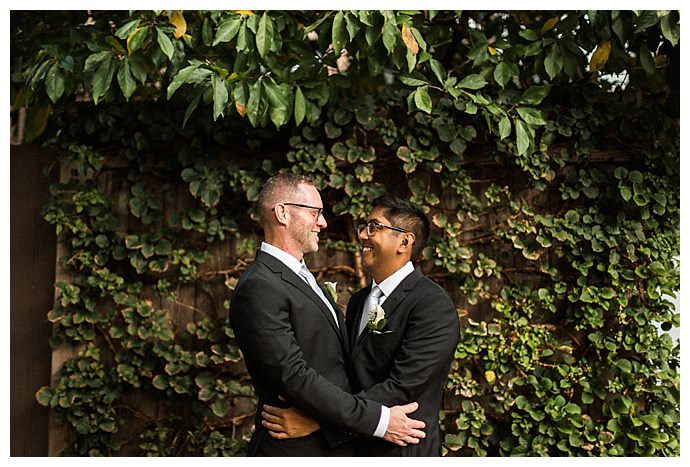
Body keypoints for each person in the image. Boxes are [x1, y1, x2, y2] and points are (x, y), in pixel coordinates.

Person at [229, 175, 426, 456]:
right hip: (292, 449)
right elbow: (293, 376)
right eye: (315, 213)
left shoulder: (302, 278)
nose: (322, 222)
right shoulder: (260, 286)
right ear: (283, 213)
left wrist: (326, 424)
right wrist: (378, 420)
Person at [262, 194, 460, 456]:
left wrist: (319, 422)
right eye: (364, 227)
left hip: (400, 450)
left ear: (404, 241)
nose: (364, 236)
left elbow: (401, 388)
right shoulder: (358, 302)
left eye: (374, 228)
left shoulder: (432, 305)